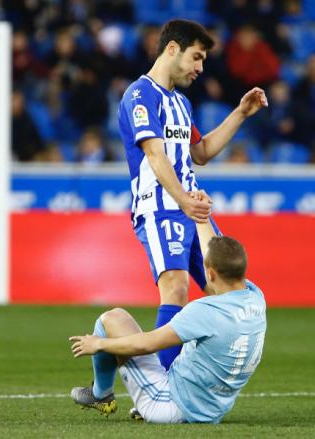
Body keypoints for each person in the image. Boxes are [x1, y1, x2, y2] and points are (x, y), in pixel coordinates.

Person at [117, 18, 267, 371]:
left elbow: (199, 153)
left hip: (190, 209)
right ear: (172, 49)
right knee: (177, 288)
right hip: (160, 207)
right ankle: (163, 388)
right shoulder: (140, 95)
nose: (200, 68)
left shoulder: (181, 104)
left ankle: (205, 373)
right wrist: (184, 199)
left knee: (228, 292)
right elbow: (155, 155)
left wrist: (241, 113)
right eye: (196, 58)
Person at [69, 192, 266, 424]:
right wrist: (201, 217)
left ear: (210, 273)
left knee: (112, 319)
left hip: (169, 405)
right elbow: (212, 253)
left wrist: (99, 344)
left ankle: (101, 395)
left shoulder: (204, 312)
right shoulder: (255, 297)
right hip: (213, 408)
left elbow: (147, 344)